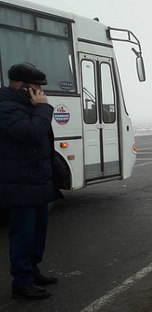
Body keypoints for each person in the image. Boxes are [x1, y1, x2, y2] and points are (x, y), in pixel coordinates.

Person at [0, 63, 60, 299]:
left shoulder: (27, 106)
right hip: (20, 183)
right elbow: (32, 133)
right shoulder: (6, 107)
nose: (41, 92)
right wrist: (43, 109)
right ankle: (22, 281)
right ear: (22, 86)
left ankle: (33, 271)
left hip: (36, 181)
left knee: (37, 232)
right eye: (36, 87)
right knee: (23, 235)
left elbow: (42, 142)